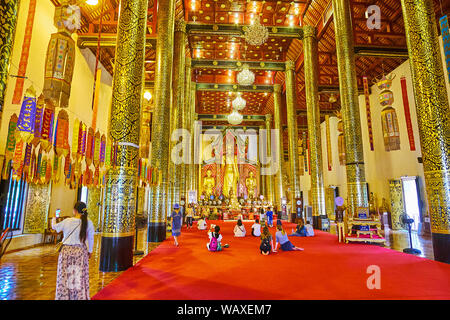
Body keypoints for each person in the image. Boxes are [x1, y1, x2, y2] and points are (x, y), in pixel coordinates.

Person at [51, 201, 94, 300]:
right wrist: (90, 251)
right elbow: (90, 238)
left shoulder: (68, 221)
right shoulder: (88, 222)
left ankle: (64, 296)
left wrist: (54, 218)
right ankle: (78, 296)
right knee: (77, 276)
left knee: (65, 276)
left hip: (66, 251)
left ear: (75, 211)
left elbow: (55, 227)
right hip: (80, 252)